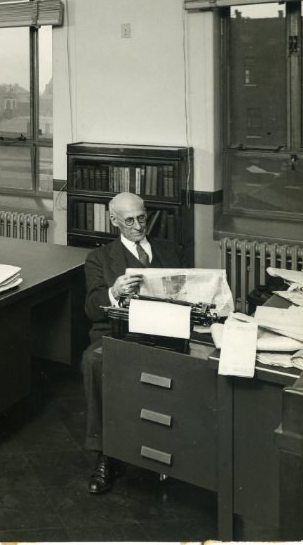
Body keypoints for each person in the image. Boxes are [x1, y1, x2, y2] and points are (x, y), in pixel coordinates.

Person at [82, 191, 188, 495]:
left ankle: (175, 453)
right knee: (94, 360)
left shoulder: (170, 251)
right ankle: (106, 453)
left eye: (142, 218)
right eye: (129, 221)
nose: (138, 226)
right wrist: (114, 291)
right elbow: (91, 308)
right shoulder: (100, 258)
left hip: (165, 333)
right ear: (114, 221)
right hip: (120, 335)